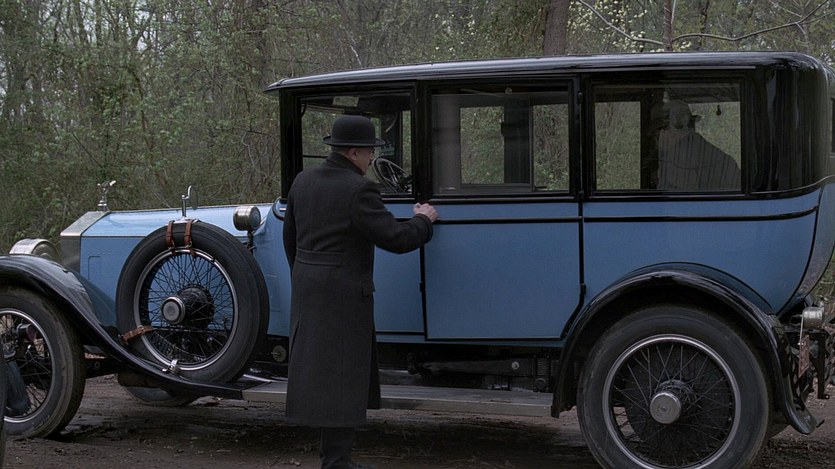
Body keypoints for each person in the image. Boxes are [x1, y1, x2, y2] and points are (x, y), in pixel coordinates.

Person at [282, 115, 438, 469]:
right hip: (344, 293)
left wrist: (305, 276)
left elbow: (290, 238)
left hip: (308, 287)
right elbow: (396, 239)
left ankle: (335, 458)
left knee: (325, 376)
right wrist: (424, 220)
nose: (372, 159)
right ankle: (336, 462)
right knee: (342, 377)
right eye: (369, 152)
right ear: (353, 152)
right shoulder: (358, 189)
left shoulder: (303, 180)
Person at [653, 100, 740, 190]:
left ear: (672, 132)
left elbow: (678, 196)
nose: (657, 142)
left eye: (657, 135)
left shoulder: (677, 159)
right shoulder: (714, 154)